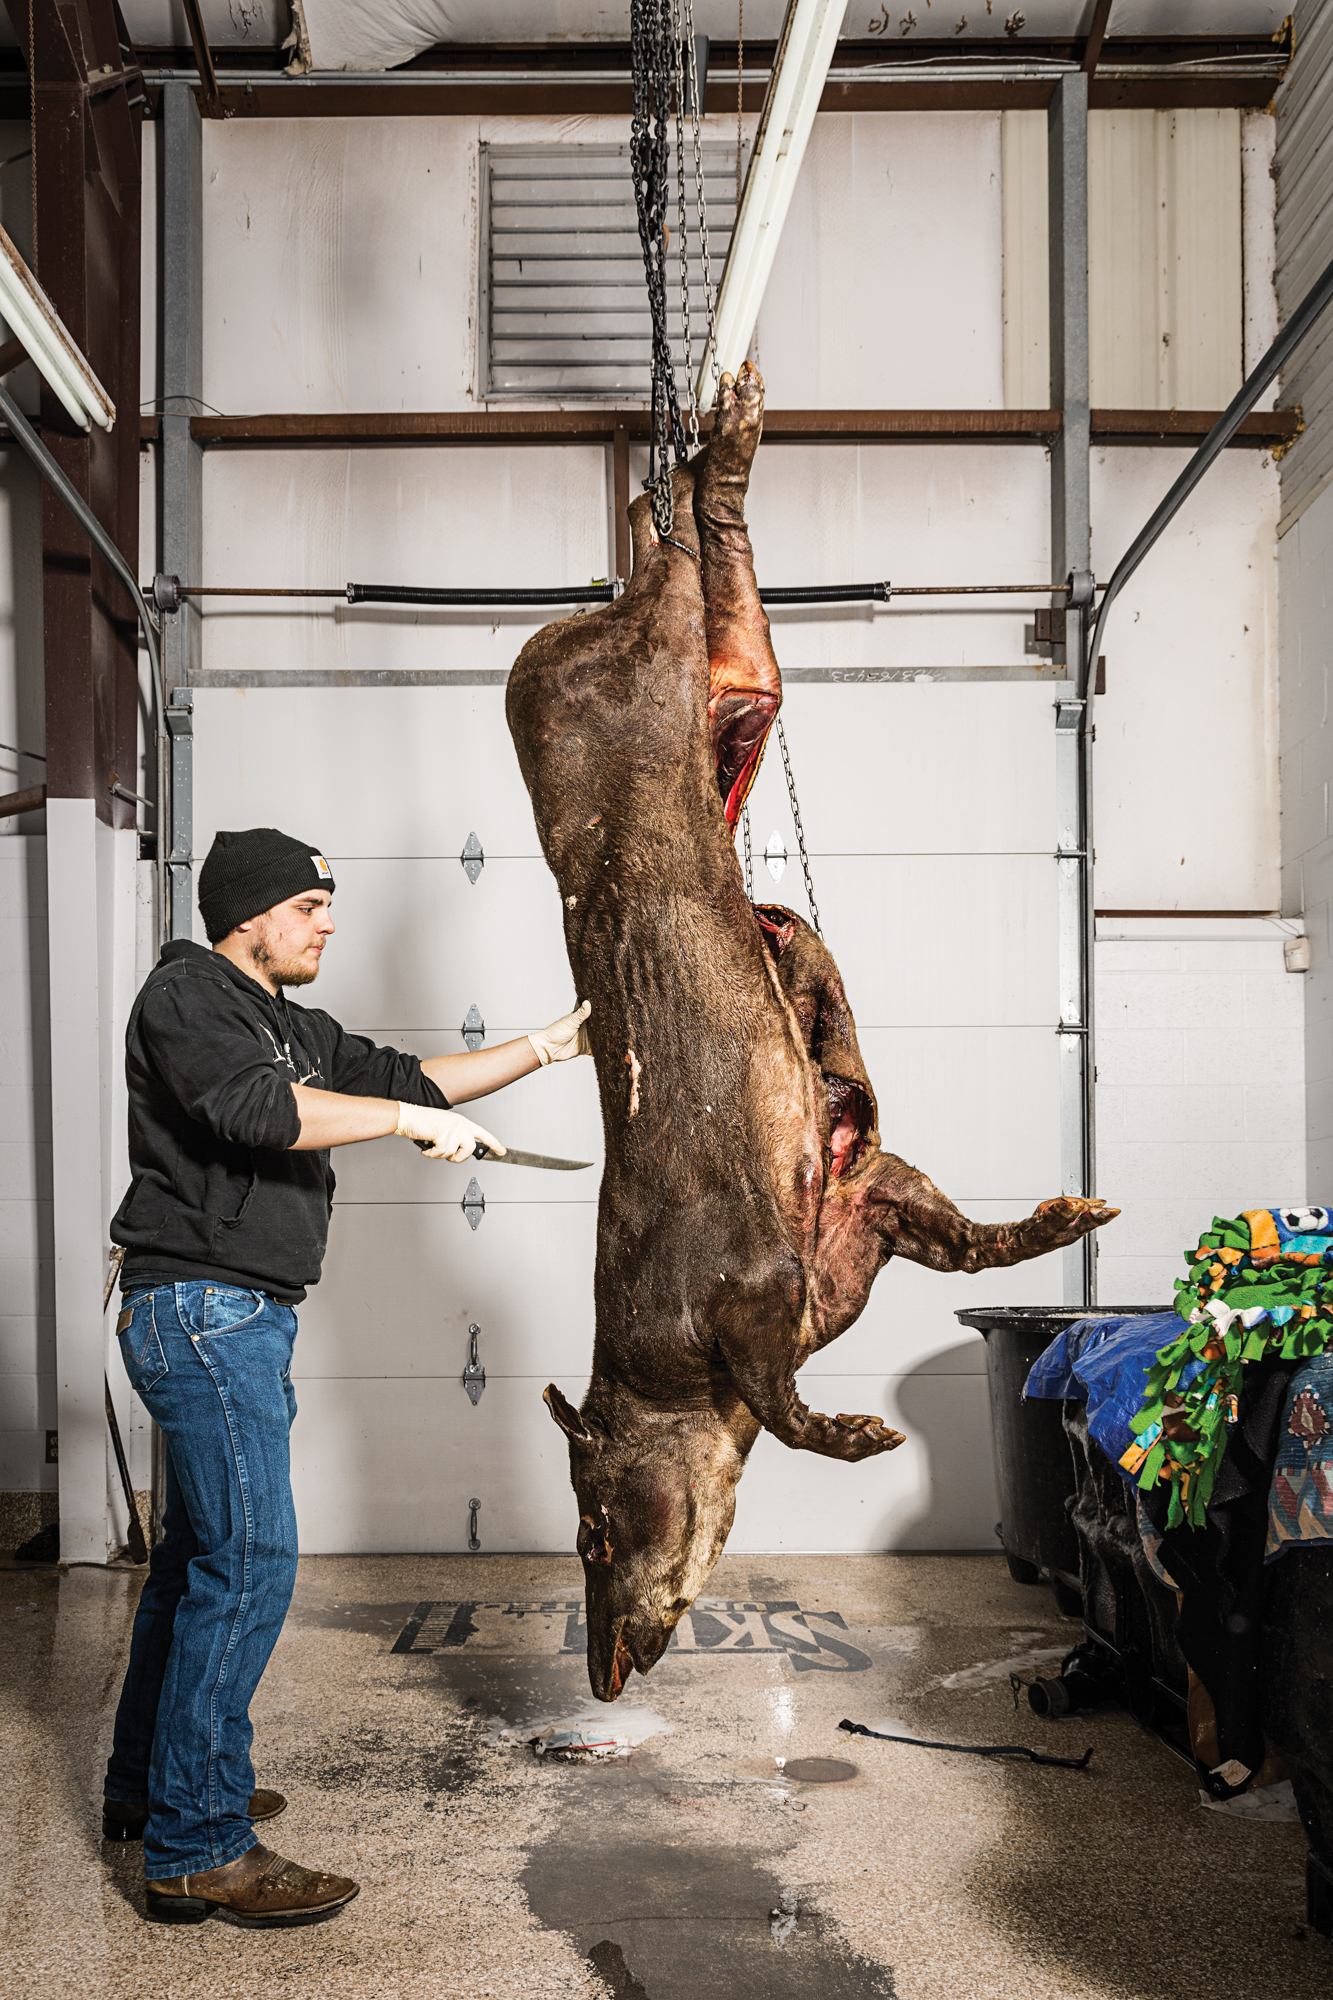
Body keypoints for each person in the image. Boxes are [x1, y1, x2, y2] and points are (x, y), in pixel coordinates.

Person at [102, 827, 590, 1928]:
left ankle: (152, 1787)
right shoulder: (190, 995)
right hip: (202, 1308)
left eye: (328, 904)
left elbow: (408, 1077)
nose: (328, 921)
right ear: (248, 914)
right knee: (252, 1564)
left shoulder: (288, 1023)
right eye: (309, 905)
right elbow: (259, 1113)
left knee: (193, 1564)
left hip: (238, 1315)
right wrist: (409, 1124)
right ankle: (200, 1844)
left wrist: (542, 1050)